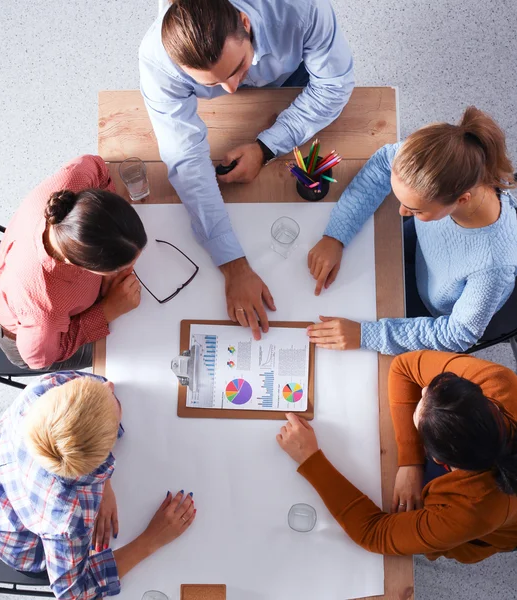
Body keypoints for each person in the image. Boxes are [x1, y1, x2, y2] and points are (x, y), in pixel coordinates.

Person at [139, 0, 354, 339]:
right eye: (212, 83)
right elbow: (186, 160)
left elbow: (332, 87)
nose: (232, 90)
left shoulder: (302, 8)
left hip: (294, 73)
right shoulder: (157, 60)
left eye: (237, 67)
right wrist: (233, 266)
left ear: (245, 22)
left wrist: (267, 146)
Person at [306, 107, 517, 354]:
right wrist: (336, 235)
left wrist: (366, 335)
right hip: (423, 255)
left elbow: (458, 335)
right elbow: (386, 161)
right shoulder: (437, 159)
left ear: (461, 200)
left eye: (415, 209)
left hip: (432, 310)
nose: (402, 213)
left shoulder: (493, 267)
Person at [277, 351, 517, 563]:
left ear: (441, 462)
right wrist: (410, 461)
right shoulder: (498, 381)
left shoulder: (471, 510)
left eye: (419, 409)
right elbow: (404, 367)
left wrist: (310, 459)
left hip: (495, 528)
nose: (422, 390)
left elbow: (373, 533)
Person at [0, 371, 196, 599]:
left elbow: (101, 384)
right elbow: (74, 593)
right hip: (19, 544)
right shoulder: (67, 519)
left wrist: (103, 484)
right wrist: (150, 540)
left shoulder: (44, 389)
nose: (110, 385)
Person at [0, 155, 147, 370]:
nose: (128, 270)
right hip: (31, 340)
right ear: (81, 266)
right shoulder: (45, 308)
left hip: (16, 276)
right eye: (121, 267)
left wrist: (112, 265)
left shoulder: (74, 182)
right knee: (130, 351)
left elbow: (97, 166)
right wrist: (107, 311)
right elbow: (38, 359)